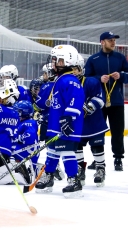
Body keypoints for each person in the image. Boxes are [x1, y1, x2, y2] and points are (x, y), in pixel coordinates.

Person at [35, 45, 85, 198]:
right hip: (55, 124)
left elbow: (77, 99)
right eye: (54, 59)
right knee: (52, 151)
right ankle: (49, 177)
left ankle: (74, 180)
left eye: (58, 60)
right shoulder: (60, 79)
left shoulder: (70, 80)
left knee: (67, 151)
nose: (54, 63)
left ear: (68, 61)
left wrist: (69, 117)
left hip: (67, 125)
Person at [84, 31, 128, 171]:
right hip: (98, 101)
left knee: (118, 131)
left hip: (116, 101)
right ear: (102, 42)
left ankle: (118, 158)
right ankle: (98, 159)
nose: (113, 42)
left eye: (114, 40)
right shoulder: (93, 59)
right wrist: (99, 79)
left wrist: (121, 75)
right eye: (110, 40)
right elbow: (86, 78)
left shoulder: (120, 58)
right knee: (97, 131)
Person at [73, 54, 109, 187]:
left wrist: (89, 107)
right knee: (77, 147)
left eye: (75, 69)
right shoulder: (67, 84)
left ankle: (100, 169)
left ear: (81, 69)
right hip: (78, 125)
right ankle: (80, 169)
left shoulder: (91, 81)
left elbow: (100, 98)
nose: (73, 72)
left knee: (97, 147)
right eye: (71, 69)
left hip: (94, 123)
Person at [12, 100, 40, 176]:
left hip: (28, 150)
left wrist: (17, 138)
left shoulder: (29, 122)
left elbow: (30, 137)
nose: (16, 113)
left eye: (18, 111)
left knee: (6, 148)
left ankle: (19, 167)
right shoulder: (23, 122)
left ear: (24, 113)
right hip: (26, 150)